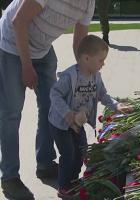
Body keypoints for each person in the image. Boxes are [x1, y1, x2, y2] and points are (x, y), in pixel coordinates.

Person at [0, 0, 95, 199]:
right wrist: (26, 67)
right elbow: (18, 22)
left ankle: (45, 163)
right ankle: (9, 178)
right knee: (11, 113)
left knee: (52, 108)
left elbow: (79, 43)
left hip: (43, 51)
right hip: (11, 45)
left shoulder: (88, 3)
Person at [48, 34, 132, 198]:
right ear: (87, 58)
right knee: (68, 154)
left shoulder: (95, 77)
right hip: (61, 124)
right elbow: (54, 94)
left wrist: (116, 105)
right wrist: (68, 114)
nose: (103, 64)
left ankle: (73, 180)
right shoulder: (70, 77)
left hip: (78, 124)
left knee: (81, 151)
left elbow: (103, 95)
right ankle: (64, 186)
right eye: (100, 60)